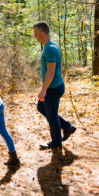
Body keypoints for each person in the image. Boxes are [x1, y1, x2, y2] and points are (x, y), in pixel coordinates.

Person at [33, 21, 76, 150]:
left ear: (44, 32)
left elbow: (51, 72)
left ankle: (56, 143)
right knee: (42, 108)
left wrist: (43, 90)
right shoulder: (53, 46)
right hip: (56, 86)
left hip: (52, 88)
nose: (35, 36)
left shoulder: (50, 49)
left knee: (52, 116)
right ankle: (67, 127)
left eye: (36, 33)